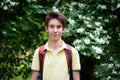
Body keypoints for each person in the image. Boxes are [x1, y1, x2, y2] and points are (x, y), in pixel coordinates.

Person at [31, 11, 81, 80]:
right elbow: (33, 78)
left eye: (58, 27)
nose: (55, 30)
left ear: (63, 29)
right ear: (46, 28)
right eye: (51, 26)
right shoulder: (39, 52)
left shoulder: (72, 52)